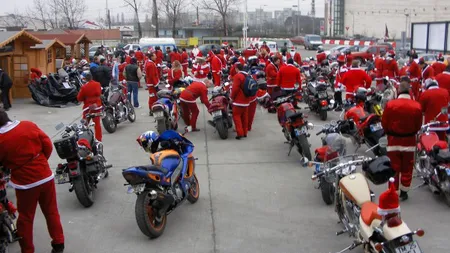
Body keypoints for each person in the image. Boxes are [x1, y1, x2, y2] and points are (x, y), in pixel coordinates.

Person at [0, 109, 65, 253]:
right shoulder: (28, 125)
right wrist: (41, 162)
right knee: (51, 211)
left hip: (25, 184)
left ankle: (27, 249)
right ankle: (58, 243)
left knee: (26, 217)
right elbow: (47, 144)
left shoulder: (1, 139)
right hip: (45, 176)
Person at [381, 79, 422, 201]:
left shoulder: (391, 105)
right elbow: (418, 125)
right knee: (407, 168)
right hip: (409, 141)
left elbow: (385, 122)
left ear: (398, 91)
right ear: (409, 91)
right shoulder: (416, 106)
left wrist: (389, 132)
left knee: (393, 167)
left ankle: (393, 191)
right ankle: (404, 192)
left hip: (393, 140)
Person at [77, 72, 103, 141]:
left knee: (85, 123)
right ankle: (98, 139)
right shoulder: (97, 84)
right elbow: (99, 93)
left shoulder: (84, 87)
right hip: (97, 106)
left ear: (85, 79)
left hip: (87, 107)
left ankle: (84, 138)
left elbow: (79, 98)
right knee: (97, 124)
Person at [231, 63, 251, 139]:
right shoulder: (247, 75)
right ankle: (245, 132)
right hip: (246, 100)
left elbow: (235, 89)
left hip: (238, 100)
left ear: (236, 69)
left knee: (236, 116)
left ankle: (240, 133)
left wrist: (232, 97)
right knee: (245, 117)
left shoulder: (238, 76)